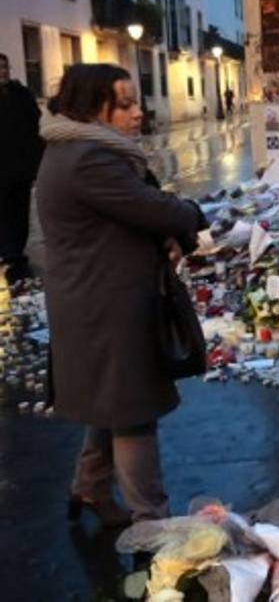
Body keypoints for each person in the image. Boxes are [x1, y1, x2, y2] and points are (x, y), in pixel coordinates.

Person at [37, 64, 205, 526]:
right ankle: (150, 523)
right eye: (126, 103)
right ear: (94, 108)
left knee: (110, 397)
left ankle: (89, 488)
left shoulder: (84, 149)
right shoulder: (88, 159)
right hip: (104, 302)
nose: (138, 112)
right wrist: (190, 213)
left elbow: (132, 210)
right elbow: (149, 206)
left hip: (99, 295)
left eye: (137, 101)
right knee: (133, 409)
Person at [0, 53, 44, 283]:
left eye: (5, 67)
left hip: (22, 167)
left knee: (20, 210)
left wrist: (37, 162)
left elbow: (36, 127)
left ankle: (16, 249)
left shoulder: (22, 95)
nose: (3, 71)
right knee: (4, 211)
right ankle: (10, 252)